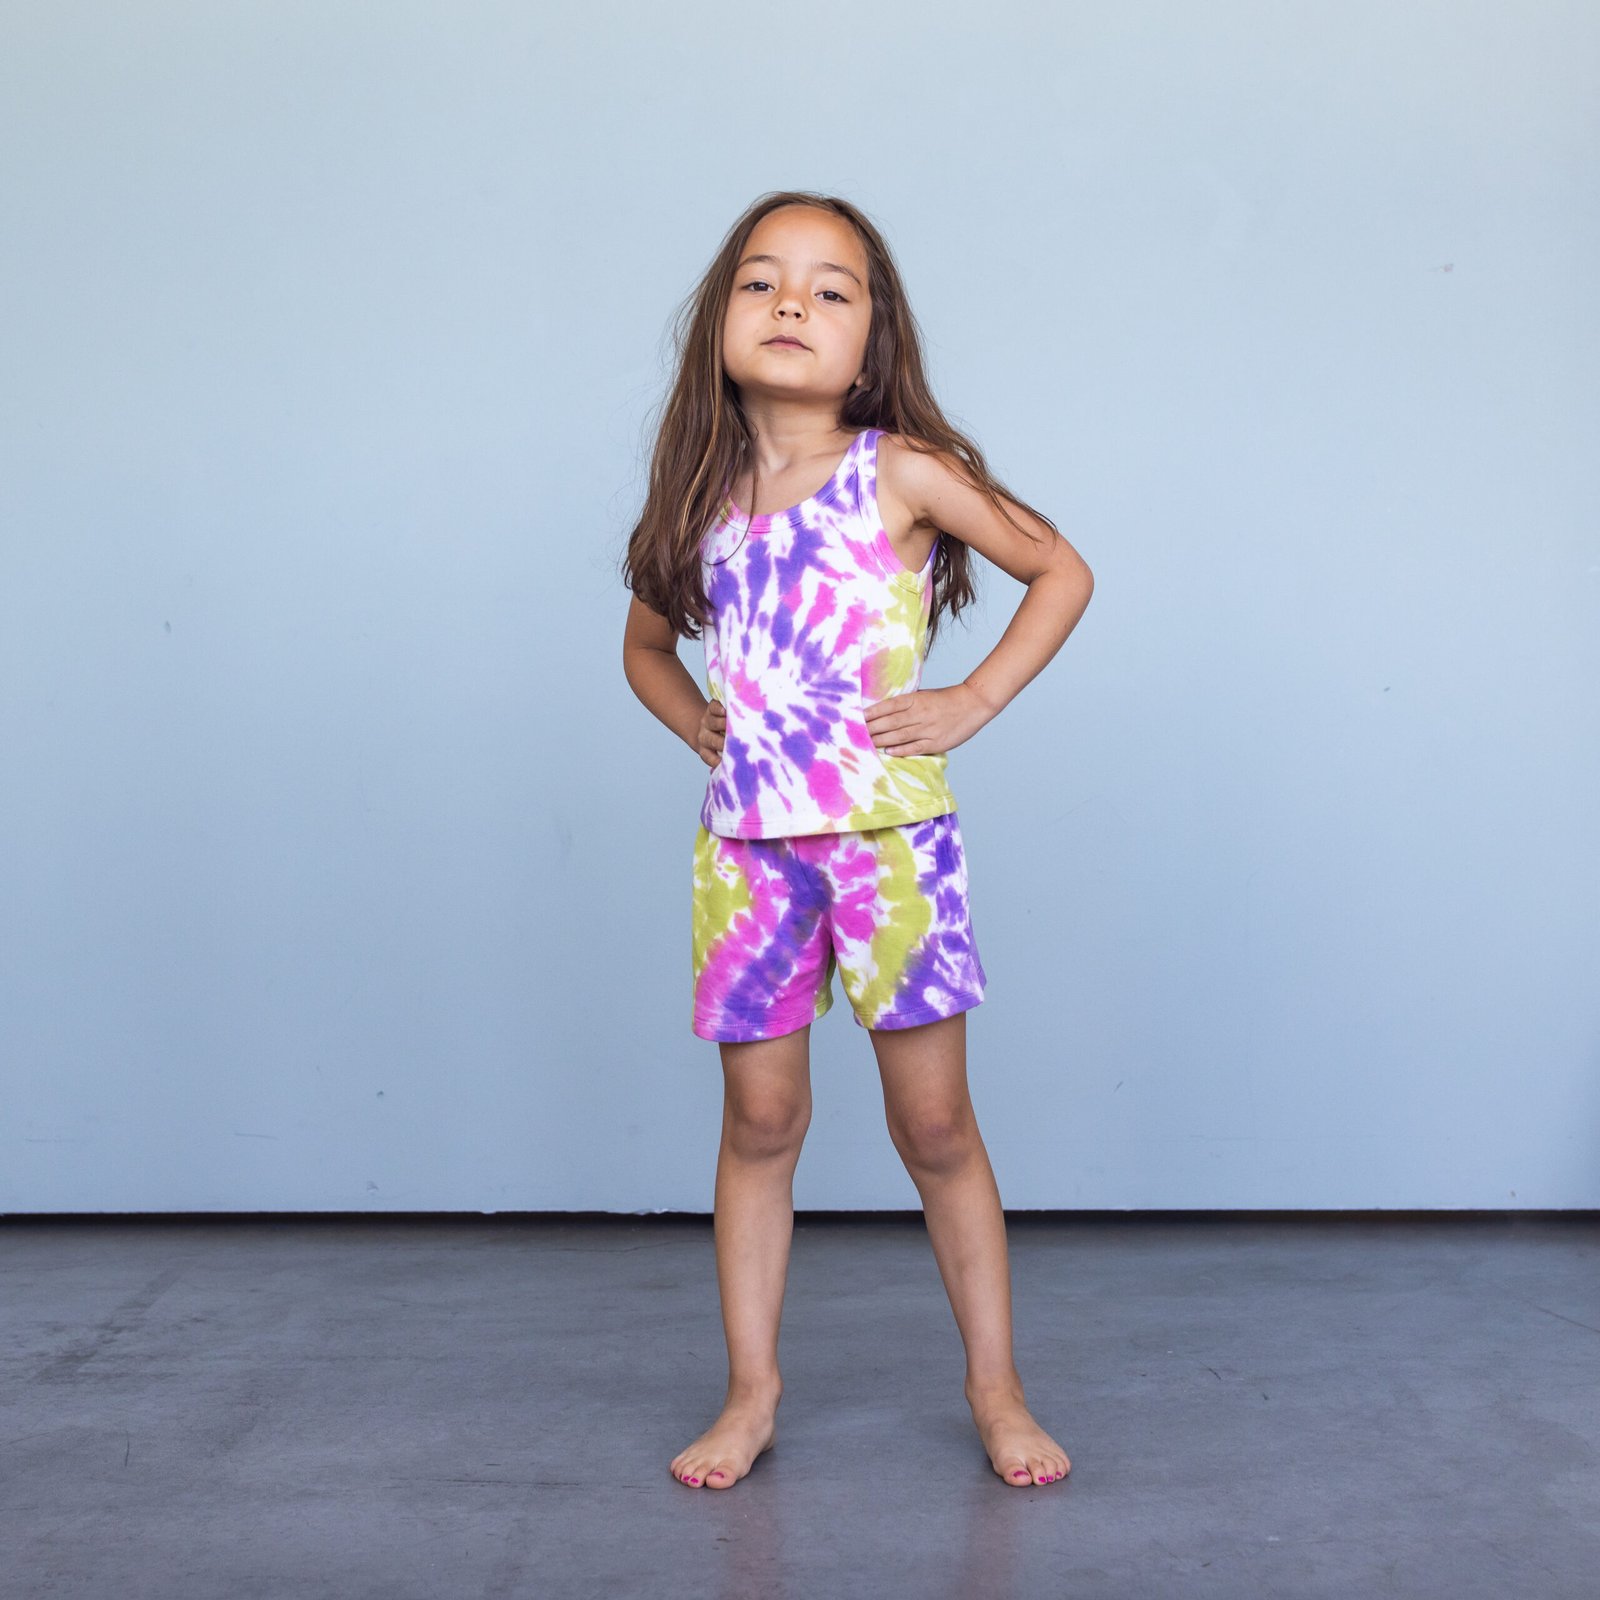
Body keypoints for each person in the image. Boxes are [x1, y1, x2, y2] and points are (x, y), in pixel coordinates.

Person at [620, 190, 1095, 1491]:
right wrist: (701, 724)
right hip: (749, 859)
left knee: (933, 1124)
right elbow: (647, 650)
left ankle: (996, 1387)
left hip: (891, 853)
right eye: (762, 280)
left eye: (831, 289)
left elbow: (1061, 571)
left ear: (873, 338)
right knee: (761, 1119)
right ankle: (752, 1391)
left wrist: (974, 699)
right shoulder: (699, 499)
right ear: (720, 319)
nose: (792, 302)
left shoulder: (903, 473)